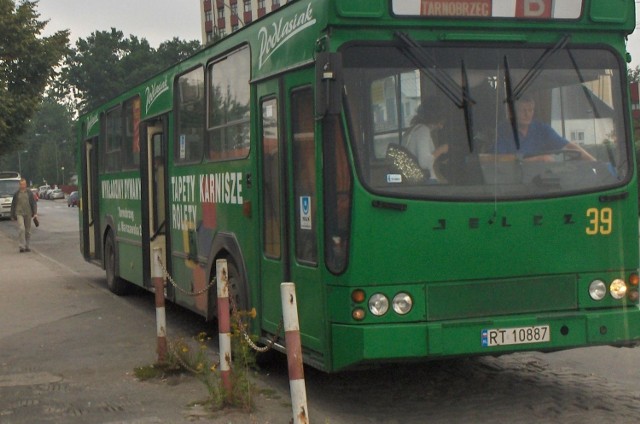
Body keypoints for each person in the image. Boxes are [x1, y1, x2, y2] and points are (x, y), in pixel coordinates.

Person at [497, 95, 595, 161]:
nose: (527, 114)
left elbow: (568, 147)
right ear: (513, 112)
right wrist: (536, 160)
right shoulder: (503, 130)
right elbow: (493, 159)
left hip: (543, 182)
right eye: (522, 110)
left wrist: (596, 163)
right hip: (515, 185)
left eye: (530, 110)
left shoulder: (541, 129)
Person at [403, 98, 449, 178]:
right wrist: (441, 150)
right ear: (433, 119)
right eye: (440, 122)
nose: (441, 127)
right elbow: (424, 163)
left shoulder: (413, 130)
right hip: (426, 181)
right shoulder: (423, 131)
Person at [10, 178, 38, 253]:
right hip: (19, 213)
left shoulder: (29, 193)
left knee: (28, 231)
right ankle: (21, 246)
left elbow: (33, 203)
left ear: (26, 185)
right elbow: (13, 204)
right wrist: (12, 215)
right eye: (21, 184)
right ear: (19, 185)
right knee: (21, 228)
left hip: (28, 213)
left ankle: (27, 246)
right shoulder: (16, 194)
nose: (23, 186)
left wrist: (35, 213)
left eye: (24, 184)